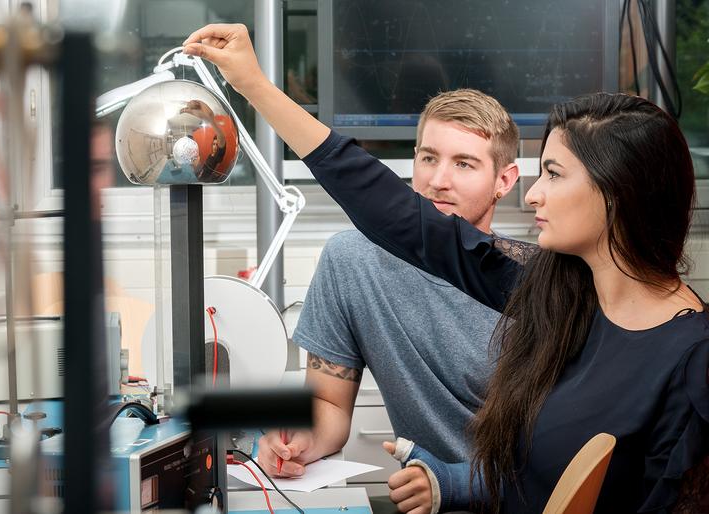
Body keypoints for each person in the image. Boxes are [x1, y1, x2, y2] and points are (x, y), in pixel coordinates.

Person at [182, 24, 709, 513]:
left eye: (552, 173)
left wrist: (455, 483)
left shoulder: (691, 362)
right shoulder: (558, 291)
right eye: (428, 158)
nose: (535, 195)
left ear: (617, 196)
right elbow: (389, 210)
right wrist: (252, 84)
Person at [256, 87, 523, 509]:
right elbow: (328, 402)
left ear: (504, 181)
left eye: (464, 164)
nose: (438, 180)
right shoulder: (353, 261)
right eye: (428, 158)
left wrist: (453, 485)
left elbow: (562, 456)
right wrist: (300, 438)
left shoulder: (534, 286)